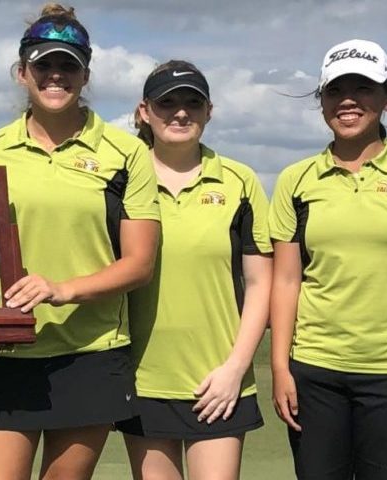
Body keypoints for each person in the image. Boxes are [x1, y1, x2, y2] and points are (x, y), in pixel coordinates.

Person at [0, 4, 161, 479]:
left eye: (67, 65)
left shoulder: (125, 152)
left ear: (85, 73)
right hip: (7, 350)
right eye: (43, 64)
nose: (55, 75)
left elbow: (139, 263)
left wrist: (61, 289)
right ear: (22, 72)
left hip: (90, 351)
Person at [270, 39, 387, 479]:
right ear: (323, 101)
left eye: (363, 88)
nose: (348, 101)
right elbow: (286, 280)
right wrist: (280, 367)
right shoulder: (296, 180)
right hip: (314, 369)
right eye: (335, 90)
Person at [114, 60, 272, 480]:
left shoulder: (240, 181)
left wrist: (236, 369)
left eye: (192, 102)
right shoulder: (122, 179)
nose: (180, 113)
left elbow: (260, 284)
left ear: (208, 111)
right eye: (167, 103)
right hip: (144, 381)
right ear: (144, 111)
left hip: (220, 381)